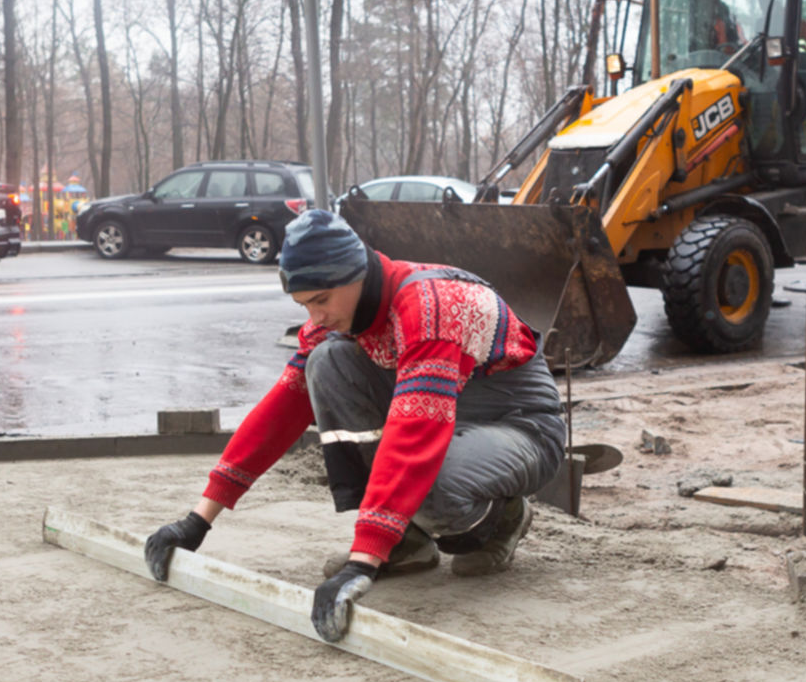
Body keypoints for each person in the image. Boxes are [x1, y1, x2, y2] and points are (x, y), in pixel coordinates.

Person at [141, 209, 566, 642]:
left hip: (519, 424)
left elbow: (414, 436)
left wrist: (362, 561)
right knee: (326, 361)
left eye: (322, 300)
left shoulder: (432, 310)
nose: (315, 316)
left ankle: (503, 519)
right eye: (304, 305)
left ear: (356, 275)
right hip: (447, 417)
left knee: (430, 483)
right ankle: (406, 544)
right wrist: (199, 518)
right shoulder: (337, 318)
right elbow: (279, 413)